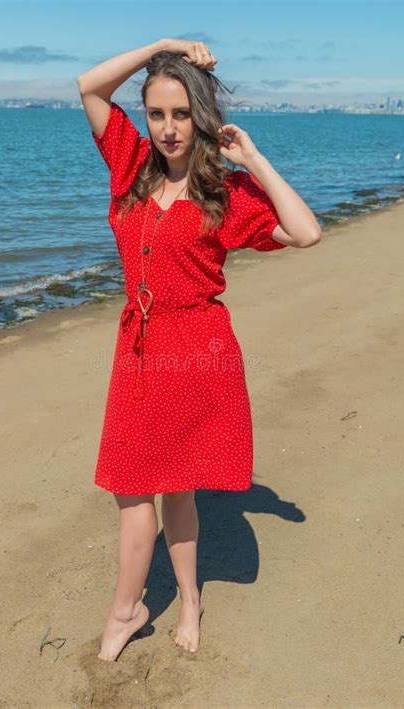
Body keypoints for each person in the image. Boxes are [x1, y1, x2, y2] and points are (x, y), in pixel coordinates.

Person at [77, 38, 321, 662]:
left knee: (166, 490)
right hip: (136, 353)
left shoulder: (224, 193)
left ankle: (139, 610)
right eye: (157, 114)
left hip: (196, 357)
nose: (167, 129)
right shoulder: (130, 166)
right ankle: (163, 604)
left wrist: (257, 159)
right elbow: (90, 87)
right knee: (142, 490)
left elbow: (306, 231)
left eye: (181, 114)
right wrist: (161, 47)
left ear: (202, 116)